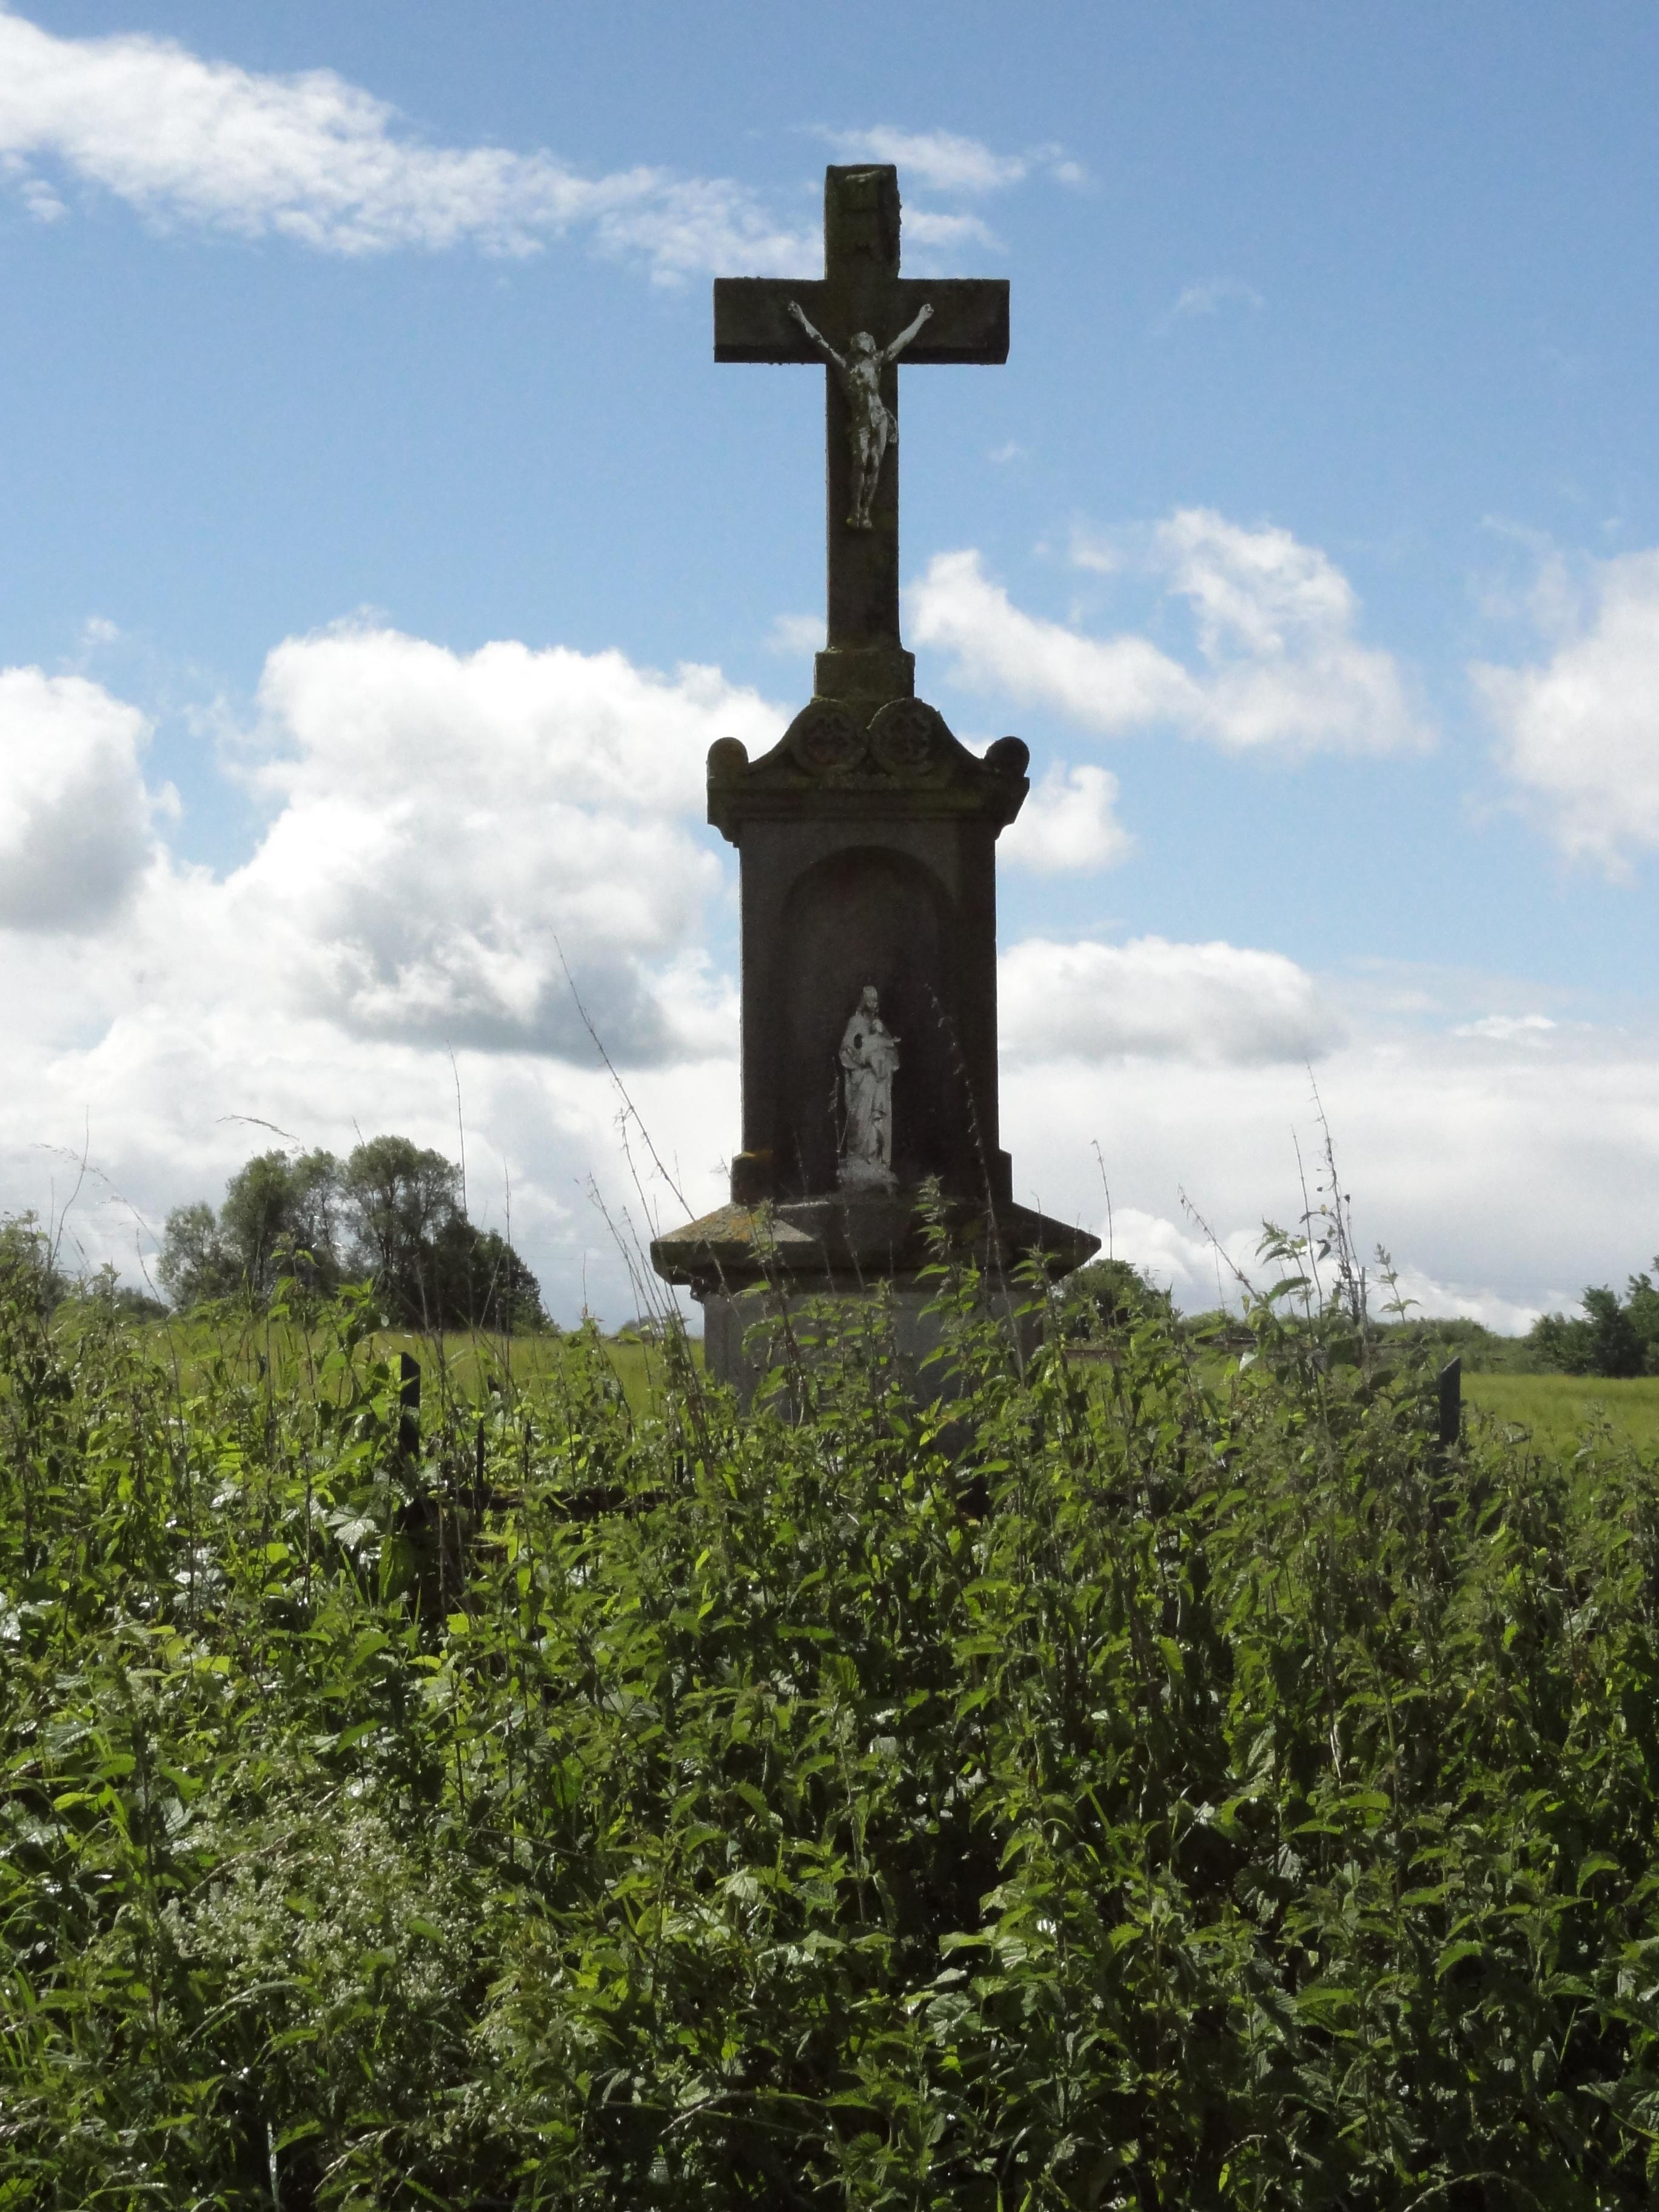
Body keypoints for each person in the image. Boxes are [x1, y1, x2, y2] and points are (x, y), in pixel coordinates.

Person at [788, 299, 933, 529]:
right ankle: (855, 508)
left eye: (866, 338)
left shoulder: (876, 363)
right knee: (860, 462)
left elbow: (902, 341)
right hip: (861, 421)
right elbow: (819, 341)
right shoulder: (843, 366)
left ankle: (866, 512)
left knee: (875, 464)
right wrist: (801, 318)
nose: (863, 339)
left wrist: (921, 319)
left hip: (879, 417)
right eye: (860, 338)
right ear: (855, 345)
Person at [838, 985, 900, 1186]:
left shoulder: (879, 1025)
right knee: (859, 1123)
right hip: (862, 1081)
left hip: (878, 1082)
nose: (874, 1005)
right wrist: (865, 1055)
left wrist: (881, 1045)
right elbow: (847, 1050)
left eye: (876, 1001)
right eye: (870, 1001)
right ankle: (858, 1160)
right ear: (864, 1002)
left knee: (877, 1122)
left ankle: (875, 1159)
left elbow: (893, 1054)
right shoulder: (855, 1022)